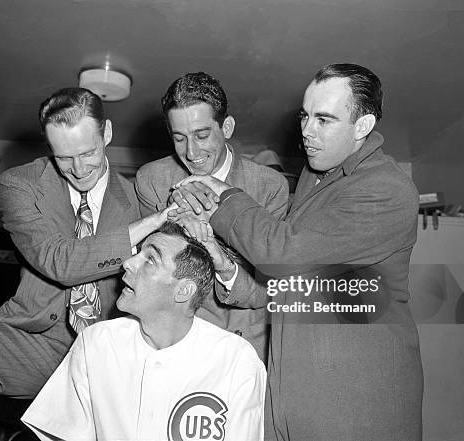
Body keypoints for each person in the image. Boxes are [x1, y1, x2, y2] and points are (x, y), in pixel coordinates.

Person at [172, 64, 423, 441]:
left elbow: (285, 253)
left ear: (363, 126)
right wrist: (225, 265)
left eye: (324, 119)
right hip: (289, 392)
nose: (306, 131)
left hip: (354, 403)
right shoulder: (315, 173)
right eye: (305, 116)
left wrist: (223, 196)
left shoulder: (386, 189)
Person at [0, 88, 169, 440]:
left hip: (113, 352)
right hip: (41, 344)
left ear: (107, 133)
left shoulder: (139, 197)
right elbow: (59, 261)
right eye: (63, 157)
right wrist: (147, 225)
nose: (78, 169)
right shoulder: (20, 185)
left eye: (87, 152)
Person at [21, 222, 266, 441]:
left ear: (183, 291)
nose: (127, 263)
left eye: (150, 259)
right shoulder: (97, 342)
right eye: (137, 253)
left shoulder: (236, 360)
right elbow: (63, 434)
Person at [135, 72, 289, 361]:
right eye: (179, 138)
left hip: (246, 342)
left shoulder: (270, 187)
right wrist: (174, 223)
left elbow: (270, 285)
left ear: (227, 127)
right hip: (179, 340)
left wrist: (220, 253)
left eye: (202, 135)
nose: (191, 152)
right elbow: (153, 273)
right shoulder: (152, 179)